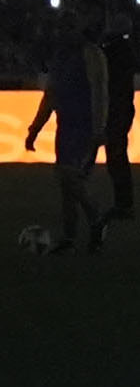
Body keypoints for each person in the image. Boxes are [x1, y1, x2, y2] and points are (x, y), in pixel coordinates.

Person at [24, 23, 109, 252]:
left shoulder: (91, 54)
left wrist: (100, 128)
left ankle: (96, 217)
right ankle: (70, 238)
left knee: (70, 176)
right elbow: (50, 95)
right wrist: (35, 129)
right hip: (66, 126)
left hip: (85, 126)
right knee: (66, 183)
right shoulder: (61, 57)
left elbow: (100, 91)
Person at [100, 14, 134, 220]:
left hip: (115, 110)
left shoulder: (113, 52)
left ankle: (123, 204)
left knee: (116, 158)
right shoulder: (126, 52)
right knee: (118, 156)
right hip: (122, 109)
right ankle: (124, 203)